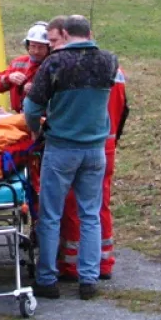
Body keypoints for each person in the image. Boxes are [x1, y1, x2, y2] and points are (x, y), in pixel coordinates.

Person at [23, 15, 118, 300]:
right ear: (88, 32)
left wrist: (35, 127)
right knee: (90, 214)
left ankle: (47, 279)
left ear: (64, 33)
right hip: (95, 149)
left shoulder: (54, 63)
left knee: (51, 215)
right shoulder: (109, 61)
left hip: (61, 148)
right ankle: (88, 280)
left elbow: (31, 107)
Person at [50, 25, 129, 282]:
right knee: (98, 207)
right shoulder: (114, 69)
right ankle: (102, 261)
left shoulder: (78, 70)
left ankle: (72, 264)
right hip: (106, 144)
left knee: (74, 206)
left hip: (83, 142)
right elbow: (123, 110)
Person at [0, 22, 50, 113]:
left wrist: (37, 91)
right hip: (20, 116)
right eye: (33, 46)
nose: (36, 51)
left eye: (41, 47)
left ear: (49, 48)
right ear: (27, 45)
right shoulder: (18, 63)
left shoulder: (54, 66)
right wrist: (9, 78)